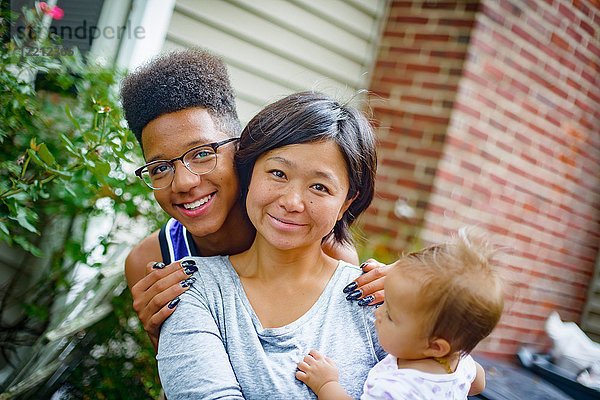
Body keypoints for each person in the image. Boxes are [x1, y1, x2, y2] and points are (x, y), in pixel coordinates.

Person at [119, 49, 388, 351]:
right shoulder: (153, 261)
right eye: (160, 168)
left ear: (240, 147)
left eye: (203, 154)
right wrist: (161, 336)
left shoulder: (317, 245)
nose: (183, 182)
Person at [157, 91, 386, 399]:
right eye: (278, 173)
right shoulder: (192, 289)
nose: (292, 202)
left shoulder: (375, 300)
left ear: (347, 202)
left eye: (319, 187)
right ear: (249, 174)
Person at [296, 228, 504, 399]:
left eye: (391, 316)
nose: (377, 312)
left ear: (435, 346)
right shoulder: (457, 361)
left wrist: (326, 383)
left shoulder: (396, 389)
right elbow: (479, 383)